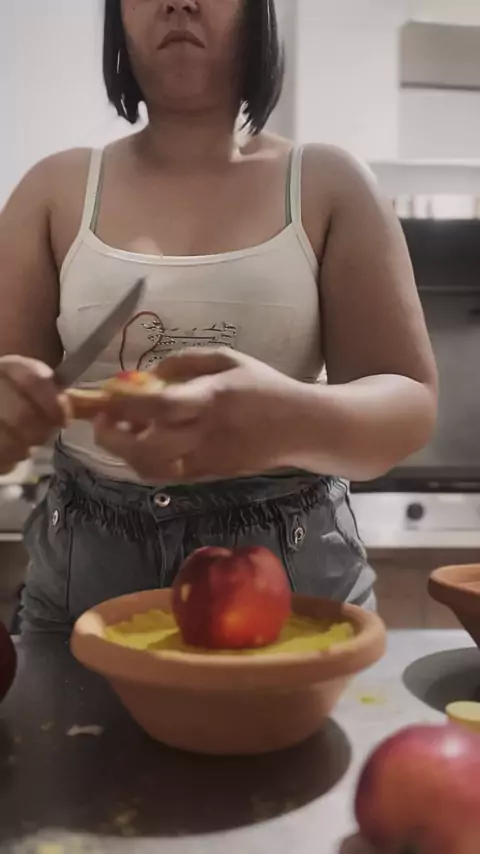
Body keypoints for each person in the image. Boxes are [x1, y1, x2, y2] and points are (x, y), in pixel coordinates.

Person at [0, 0, 437, 634]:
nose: (179, 2)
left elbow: (410, 405)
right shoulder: (52, 189)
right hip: (82, 583)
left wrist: (288, 418)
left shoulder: (329, 183)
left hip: (293, 586)